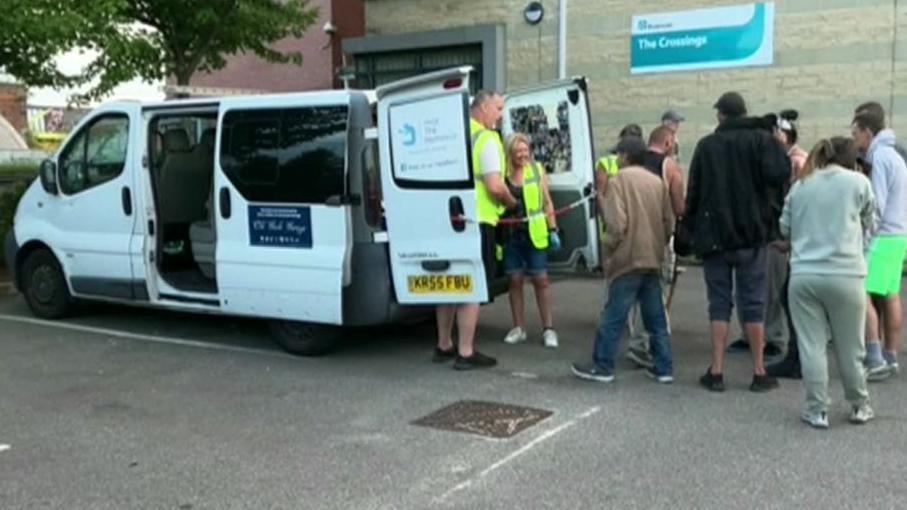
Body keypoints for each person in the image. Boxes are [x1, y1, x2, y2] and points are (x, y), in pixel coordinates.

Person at [685, 92, 790, 392]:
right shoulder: (761, 141)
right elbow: (779, 177)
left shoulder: (706, 146)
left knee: (718, 304)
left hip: (715, 238)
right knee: (754, 303)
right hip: (752, 236)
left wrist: (690, 232)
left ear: (721, 116)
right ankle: (759, 372)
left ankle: (716, 371)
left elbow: (695, 191)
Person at [781, 137, 876, 428]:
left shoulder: (801, 185)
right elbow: (871, 219)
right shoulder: (858, 183)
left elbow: (785, 228)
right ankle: (859, 404)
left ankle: (817, 408)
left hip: (804, 275)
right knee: (850, 346)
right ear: (852, 159)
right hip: (847, 273)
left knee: (812, 346)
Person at [572, 137, 675, 384]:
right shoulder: (657, 182)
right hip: (652, 257)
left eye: (618, 154)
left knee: (613, 316)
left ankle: (602, 366)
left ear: (626, 156)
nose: (616, 159)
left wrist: (607, 249)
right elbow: (669, 222)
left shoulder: (618, 181)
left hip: (628, 258)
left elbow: (617, 225)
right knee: (656, 318)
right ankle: (664, 368)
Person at [433, 90, 518, 370]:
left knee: (448, 284)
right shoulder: (486, 139)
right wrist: (510, 201)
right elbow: (494, 186)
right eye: (498, 108)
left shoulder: (450, 136)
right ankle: (466, 352)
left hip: (447, 218)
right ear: (482, 108)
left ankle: (444, 344)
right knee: (471, 287)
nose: (501, 114)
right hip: (477, 220)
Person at [852, 111, 907, 380]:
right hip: (898, 235)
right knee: (890, 294)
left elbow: (877, 205)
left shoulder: (879, 157)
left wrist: (862, 236)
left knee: (860, 293)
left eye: (855, 133)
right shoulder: (895, 154)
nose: (854, 139)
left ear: (868, 132)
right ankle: (890, 356)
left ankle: (874, 358)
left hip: (882, 236)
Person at [624, 126, 684, 369]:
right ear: (668, 143)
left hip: (630, 233)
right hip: (657, 235)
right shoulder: (668, 166)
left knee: (626, 289)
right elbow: (678, 207)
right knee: (655, 289)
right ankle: (643, 343)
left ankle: (634, 339)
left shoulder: (632, 164)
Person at [501, 133, 562, 348]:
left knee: (541, 280)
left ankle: (549, 329)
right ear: (509, 152)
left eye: (525, 149)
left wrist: (552, 228)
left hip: (535, 233)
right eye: (518, 150)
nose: (523, 154)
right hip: (510, 235)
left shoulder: (537, 170)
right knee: (515, 281)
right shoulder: (502, 174)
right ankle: (519, 327)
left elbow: (546, 201)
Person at [764, 110, 809, 378]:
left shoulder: (796, 161)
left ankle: (794, 350)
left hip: (792, 237)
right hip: (788, 235)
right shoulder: (787, 158)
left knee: (788, 294)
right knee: (784, 292)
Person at [594, 124, 644, 270]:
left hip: (634, 216)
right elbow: (600, 194)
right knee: (614, 264)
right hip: (612, 214)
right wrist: (606, 218)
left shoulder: (642, 161)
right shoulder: (607, 162)